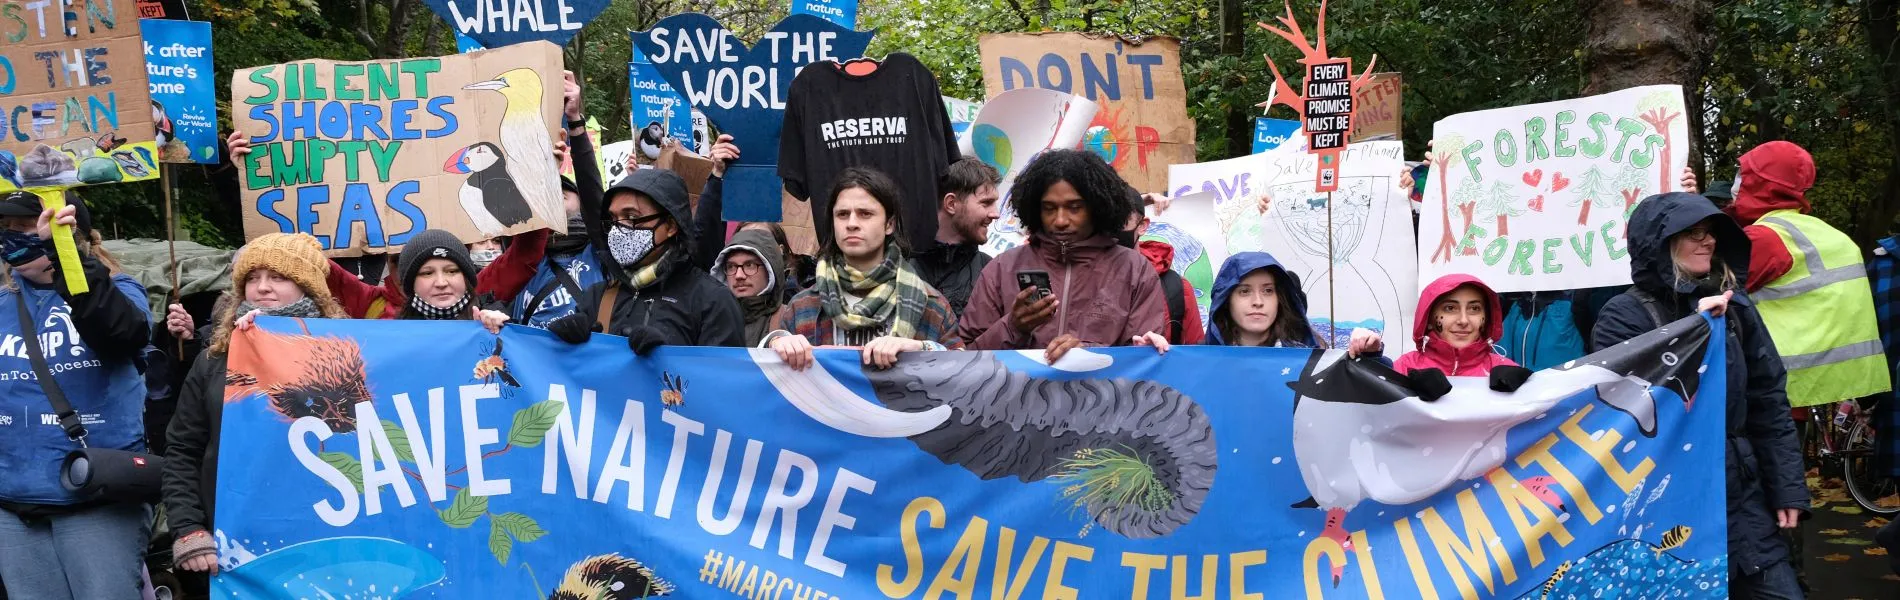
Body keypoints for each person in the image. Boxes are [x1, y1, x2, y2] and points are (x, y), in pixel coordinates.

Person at [1593, 191, 1806, 599]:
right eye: (1692, 233)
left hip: (1745, 503)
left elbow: (1768, 401)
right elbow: (1622, 413)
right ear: (1662, 243)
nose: (1707, 241)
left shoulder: (1736, 308)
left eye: (1710, 232)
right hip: (1668, 507)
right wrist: (1696, 329)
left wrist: (1787, 488)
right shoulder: (1623, 315)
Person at [161, 232, 348, 580]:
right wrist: (189, 529)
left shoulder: (348, 353)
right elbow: (182, 450)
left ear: (308, 287)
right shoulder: (214, 361)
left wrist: (485, 335)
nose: (262, 287)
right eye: (252, 278)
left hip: (332, 534)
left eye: (278, 277)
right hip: (240, 541)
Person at [0, 193, 153, 599]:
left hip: (93, 498)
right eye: (7, 229)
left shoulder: (119, 291)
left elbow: (120, 332)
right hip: (12, 507)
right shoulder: (3, 303)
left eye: (27, 228)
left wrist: (64, 253)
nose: (13, 238)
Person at [957, 150, 1169, 362]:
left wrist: (1085, 355)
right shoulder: (1003, 268)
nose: (1060, 220)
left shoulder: (1134, 270)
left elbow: (1141, 364)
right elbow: (965, 360)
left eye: (1074, 208)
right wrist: (1013, 327)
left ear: (1097, 206)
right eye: (1049, 208)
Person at [1728, 141, 1890, 408]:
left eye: (1742, 175)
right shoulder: (1823, 232)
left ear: (1760, 182)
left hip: (1786, 383)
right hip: (1841, 377)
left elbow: (1709, 289)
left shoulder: (1766, 237)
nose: (1735, 184)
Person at [764, 167, 962, 370]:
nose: (851, 224)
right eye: (842, 214)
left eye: (865, 214)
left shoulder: (930, 305)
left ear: (889, 224)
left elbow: (966, 373)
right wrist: (777, 345)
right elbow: (772, 385)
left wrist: (923, 349)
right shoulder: (803, 306)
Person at [547, 166, 745, 353]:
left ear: (670, 226)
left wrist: (667, 359)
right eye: (614, 219)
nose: (619, 229)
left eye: (631, 217)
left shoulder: (712, 301)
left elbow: (723, 381)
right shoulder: (596, 297)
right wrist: (563, 349)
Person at [913, 157, 1001, 316]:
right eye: (986, 203)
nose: (996, 214)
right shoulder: (897, 264)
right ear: (951, 204)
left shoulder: (992, 271)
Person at [1393, 273, 1520, 377]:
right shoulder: (1404, 369)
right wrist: (1373, 359)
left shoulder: (1507, 372)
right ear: (1429, 319)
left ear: (1486, 318)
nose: (1463, 321)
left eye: (1474, 308)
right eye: (1450, 308)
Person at [1125, 189, 1204, 346]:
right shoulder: (1084, 282)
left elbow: (1196, 358)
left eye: (1121, 220)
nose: (1112, 229)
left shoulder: (1177, 289)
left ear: (1142, 226)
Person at [393, 229, 510, 332]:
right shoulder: (394, 334)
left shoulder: (492, 316)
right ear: (411, 283)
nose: (441, 283)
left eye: (452, 271)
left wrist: (503, 327)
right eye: (427, 273)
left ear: (466, 278)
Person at [713, 227, 786, 346]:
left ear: (770, 269)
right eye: (731, 266)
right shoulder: (709, 319)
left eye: (749, 265)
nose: (739, 275)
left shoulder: (789, 317)